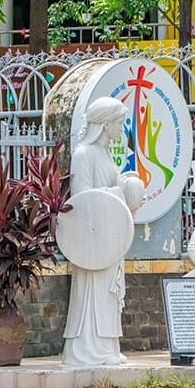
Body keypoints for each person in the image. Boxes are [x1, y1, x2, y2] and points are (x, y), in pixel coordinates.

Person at [63, 97, 144, 366]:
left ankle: (107, 348)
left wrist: (125, 183)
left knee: (108, 296)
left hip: (109, 237)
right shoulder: (84, 154)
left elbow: (108, 192)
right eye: (119, 123)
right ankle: (89, 350)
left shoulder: (105, 153)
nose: (122, 128)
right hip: (92, 240)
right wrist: (119, 191)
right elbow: (81, 199)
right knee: (93, 295)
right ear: (105, 123)